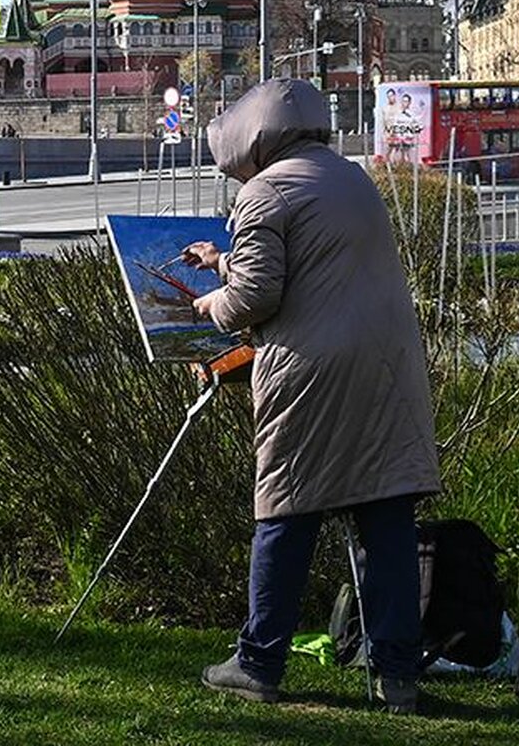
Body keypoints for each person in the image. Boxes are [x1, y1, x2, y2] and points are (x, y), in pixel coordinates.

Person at [184, 78, 439, 714]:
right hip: (384, 369)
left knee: (285, 513)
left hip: (311, 375)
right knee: (384, 520)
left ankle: (259, 660)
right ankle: (397, 675)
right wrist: (223, 258)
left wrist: (211, 299)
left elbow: (257, 299)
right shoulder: (350, 177)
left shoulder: (263, 191)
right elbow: (317, 262)